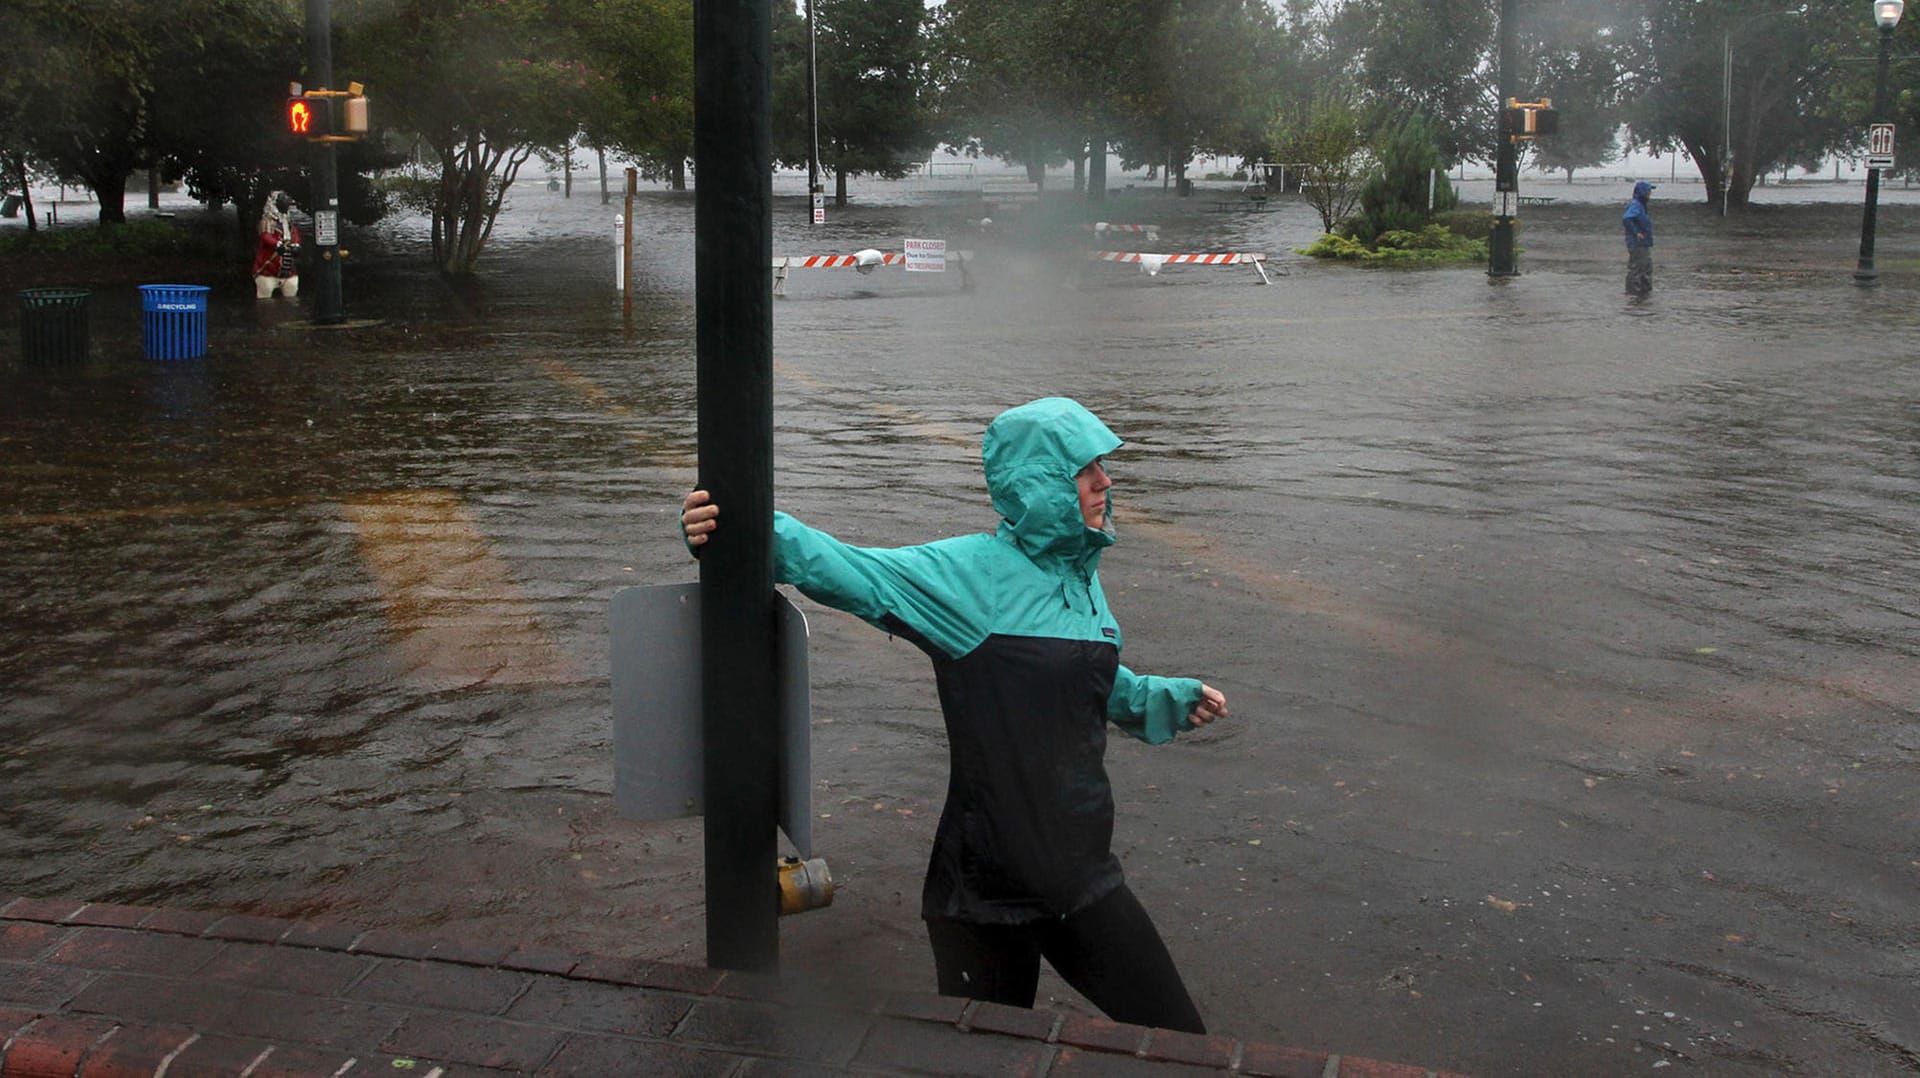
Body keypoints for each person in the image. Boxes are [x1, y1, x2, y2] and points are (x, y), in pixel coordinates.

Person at [679, 397, 1228, 1033]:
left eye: (1104, 465)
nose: (1105, 481)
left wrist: (1158, 698)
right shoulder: (969, 578)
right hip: (984, 895)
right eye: (1087, 469)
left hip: (1083, 882)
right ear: (1042, 484)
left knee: (1185, 1045)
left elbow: (1075, 682)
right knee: (981, 1061)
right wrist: (729, 527)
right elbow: (847, 568)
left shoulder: (1082, 576)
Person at [253, 191, 302, 300]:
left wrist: (297, 245)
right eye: (283, 198)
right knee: (265, 298)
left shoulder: (289, 222)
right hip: (268, 269)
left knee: (291, 295)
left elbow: (295, 234)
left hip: (289, 270)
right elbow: (265, 236)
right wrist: (277, 244)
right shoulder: (267, 221)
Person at [1622, 180, 1655, 297]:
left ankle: (1644, 293)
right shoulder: (1636, 204)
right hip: (1637, 244)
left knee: (1646, 267)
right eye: (1648, 191)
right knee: (1638, 268)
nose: (1650, 193)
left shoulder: (1641, 205)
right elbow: (1626, 218)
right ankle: (1634, 294)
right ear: (1643, 192)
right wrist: (1636, 233)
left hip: (1643, 243)